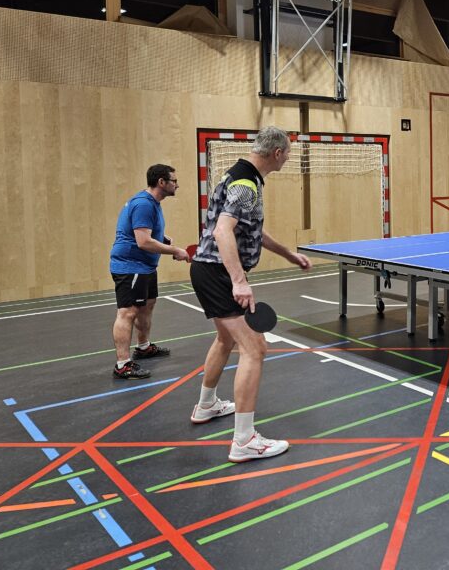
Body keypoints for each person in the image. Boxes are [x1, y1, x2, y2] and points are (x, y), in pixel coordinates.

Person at [189, 126, 311, 463]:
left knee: (225, 340)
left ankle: (206, 405)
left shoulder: (240, 177)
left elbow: (252, 230)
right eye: (287, 153)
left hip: (206, 269)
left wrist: (289, 254)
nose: (288, 159)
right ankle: (244, 441)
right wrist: (239, 281)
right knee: (255, 349)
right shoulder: (245, 185)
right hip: (218, 273)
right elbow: (223, 231)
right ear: (277, 153)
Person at [110, 164, 190, 380]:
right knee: (127, 312)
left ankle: (143, 347)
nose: (177, 185)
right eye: (174, 181)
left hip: (145, 266)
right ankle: (123, 365)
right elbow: (143, 241)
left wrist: (162, 238)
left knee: (147, 305)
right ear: (161, 182)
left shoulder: (152, 203)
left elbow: (143, 231)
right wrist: (175, 250)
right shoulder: (144, 204)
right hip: (130, 265)